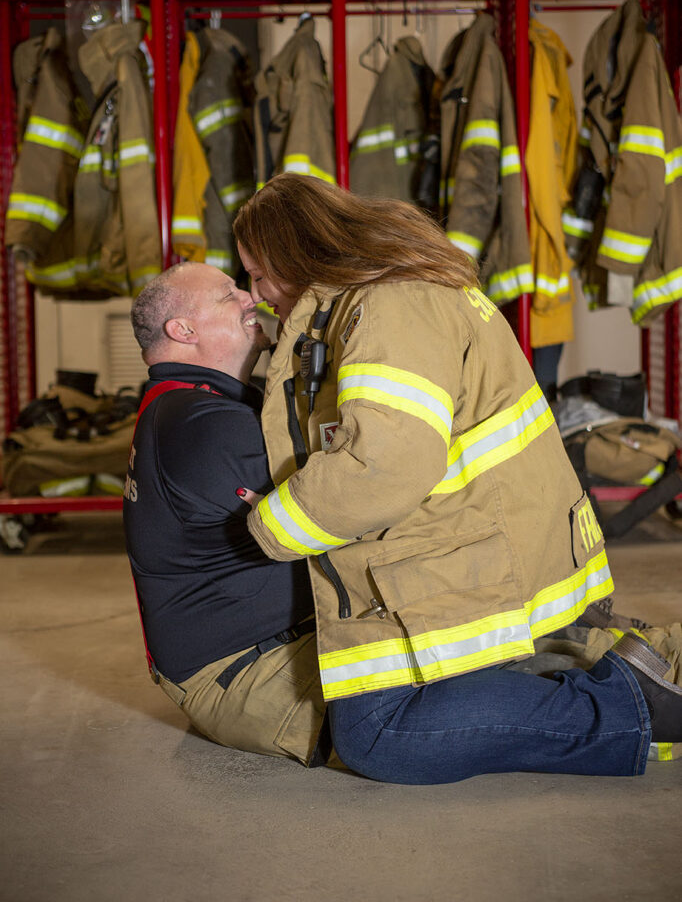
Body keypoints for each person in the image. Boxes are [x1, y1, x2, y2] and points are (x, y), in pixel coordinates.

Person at [232, 172, 682, 784]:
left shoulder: (391, 307)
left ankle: (629, 708)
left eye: (259, 274)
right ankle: (634, 660)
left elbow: (385, 465)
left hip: (483, 550)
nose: (256, 293)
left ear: (298, 250)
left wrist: (271, 526)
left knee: (376, 734)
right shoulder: (383, 297)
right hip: (480, 538)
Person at [123, 262, 329, 766]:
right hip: (247, 678)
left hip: (243, 659)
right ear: (183, 330)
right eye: (227, 294)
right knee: (410, 715)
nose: (251, 298)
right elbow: (338, 510)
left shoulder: (187, 405)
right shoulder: (201, 425)